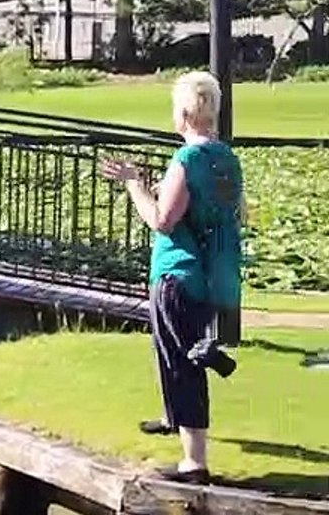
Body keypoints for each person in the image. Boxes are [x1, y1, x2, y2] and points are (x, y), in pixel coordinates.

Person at [101, 71, 245, 485]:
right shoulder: (226, 158)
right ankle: (174, 415)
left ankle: (193, 462)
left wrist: (134, 185)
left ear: (183, 112)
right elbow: (228, 214)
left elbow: (162, 221)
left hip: (178, 275)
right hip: (214, 276)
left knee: (180, 361)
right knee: (185, 353)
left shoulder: (187, 159)